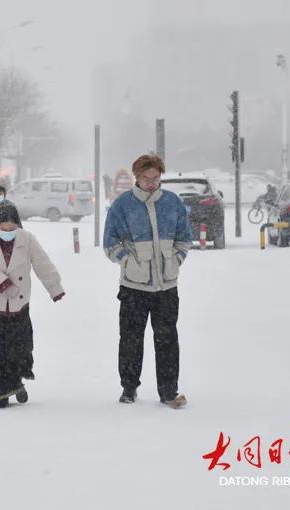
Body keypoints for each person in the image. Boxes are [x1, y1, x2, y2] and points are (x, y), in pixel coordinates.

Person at [103, 154, 191, 409]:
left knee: (167, 340)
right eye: (145, 178)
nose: (151, 183)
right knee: (131, 339)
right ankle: (129, 388)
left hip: (166, 287)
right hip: (133, 287)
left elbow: (184, 239)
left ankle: (168, 391)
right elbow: (110, 243)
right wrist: (128, 263)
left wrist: (175, 261)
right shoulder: (123, 205)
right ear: (137, 177)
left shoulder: (172, 203)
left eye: (155, 177)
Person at [0, 208, 65, 408]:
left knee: (19, 348)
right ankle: (0, 393)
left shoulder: (27, 239)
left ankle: (16, 383)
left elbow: (43, 263)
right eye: (4, 228)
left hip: (18, 303)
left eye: (12, 228)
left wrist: (54, 288)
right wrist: (0, 281)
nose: (8, 231)